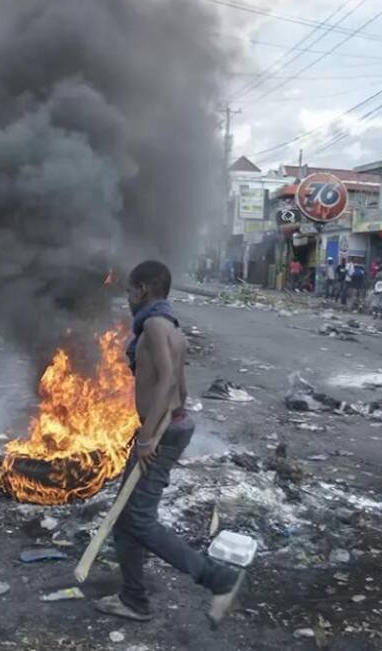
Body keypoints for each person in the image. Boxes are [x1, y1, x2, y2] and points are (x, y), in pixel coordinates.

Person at [97, 260, 244, 625]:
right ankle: (133, 598)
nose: (129, 299)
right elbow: (181, 386)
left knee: (140, 520)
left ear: (143, 289)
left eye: (131, 291)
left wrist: (147, 438)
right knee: (124, 518)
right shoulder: (173, 327)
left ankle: (217, 579)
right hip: (168, 426)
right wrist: (164, 420)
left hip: (160, 434)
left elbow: (164, 381)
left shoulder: (153, 325)